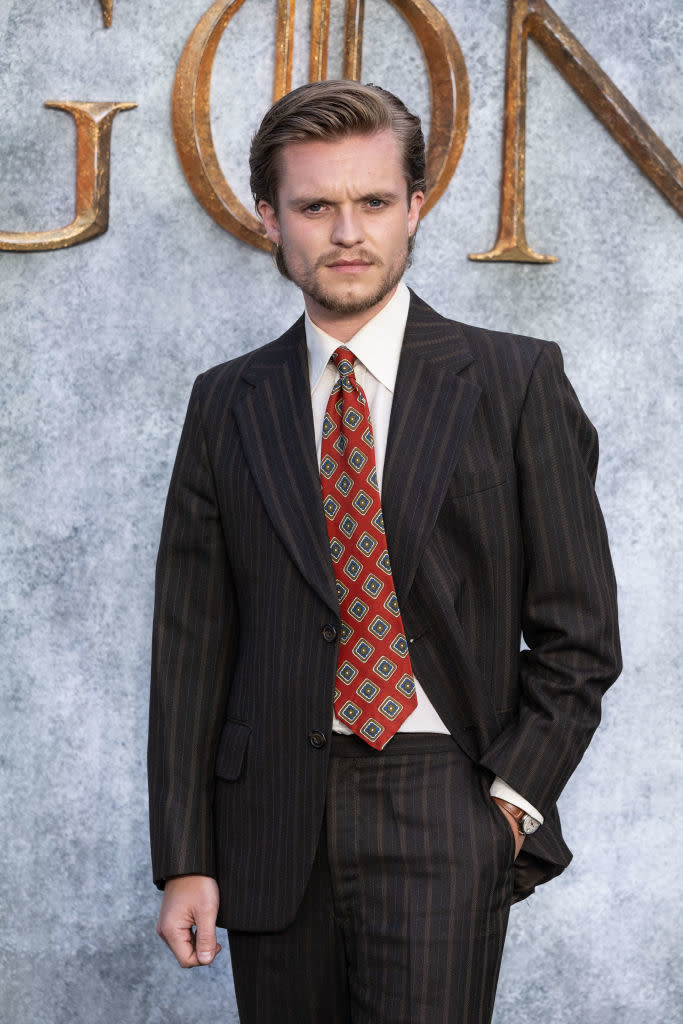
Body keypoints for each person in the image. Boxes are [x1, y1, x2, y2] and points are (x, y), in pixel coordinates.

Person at [148, 80, 621, 1023]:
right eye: (315, 206)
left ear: (414, 208)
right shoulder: (226, 402)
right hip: (272, 816)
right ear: (269, 219)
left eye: (371, 202)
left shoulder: (514, 380)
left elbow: (579, 634)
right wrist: (186, 857)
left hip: (444, 803)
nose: (345, 232)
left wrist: (508, 800)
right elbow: (191, 646)